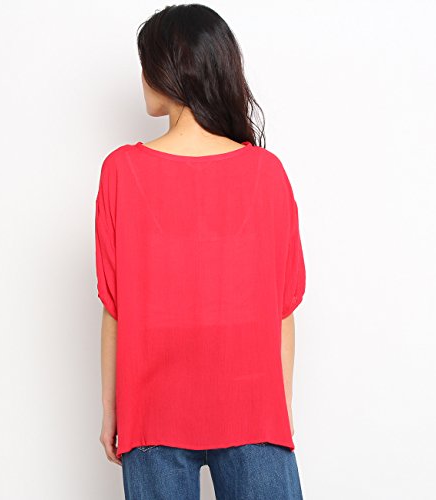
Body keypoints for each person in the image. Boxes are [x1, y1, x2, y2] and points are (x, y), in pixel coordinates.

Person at [95, 4, 306, 499]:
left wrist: (112, 410)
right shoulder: (266, 172)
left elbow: (114, 306)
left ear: (168, 70)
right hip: (253, 407)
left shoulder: (121, 170)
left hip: (152, 408)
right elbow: (284, 308)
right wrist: (280, 410)